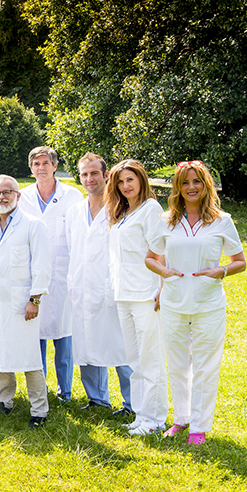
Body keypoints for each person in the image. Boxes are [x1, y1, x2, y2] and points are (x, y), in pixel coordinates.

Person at [147, 161, 246, 445]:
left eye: (197, 181)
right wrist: (164, 271)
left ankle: (199, 427)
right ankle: (181, 419)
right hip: (173, 303)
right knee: (177, 364)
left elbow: (240, 262)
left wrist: (221, 271)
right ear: (177, 187)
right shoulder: (166, 220)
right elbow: (151, 258)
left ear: (206, 185)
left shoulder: (222, 221)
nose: (191, 187)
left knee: (205, 366)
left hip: (208, 305)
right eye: (185, 182)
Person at [0, 175, 51, 428]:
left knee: (29, 357)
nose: (1, 197)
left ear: (18, 196)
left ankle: (39, 409)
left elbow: (42, 265)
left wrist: (35, 299)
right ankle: (4, 401)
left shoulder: (32, 225)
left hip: (22, 303)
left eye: (7, 192)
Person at [65, 154, 133, 416]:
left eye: (94, 173)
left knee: (121, 346)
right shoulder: (75, 212)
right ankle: (97, 398)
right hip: (81, 287)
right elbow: (72, 248)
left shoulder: (121, 209)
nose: (89, 179)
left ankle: (132, 403)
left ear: (106, 175)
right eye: (84, 174)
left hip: (111, 288)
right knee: (86, 343)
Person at [106, 158, 168, 436]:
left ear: (141, 179)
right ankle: (142, 415)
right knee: (135, 360)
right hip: (124, 293)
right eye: (120, 181)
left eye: (130, 179)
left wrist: (162, 288)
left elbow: (162, 251)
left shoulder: (151, 209)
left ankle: (155, 420)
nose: (125, 185)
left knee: (150, 359)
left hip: (146, 294)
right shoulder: (122, 213)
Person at [19, 146, 83, 402]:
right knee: (36, 336)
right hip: (32, 274)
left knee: (63, 334)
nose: (41, 168)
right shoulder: (23, 196)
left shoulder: (72, 196)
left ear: (55, 166)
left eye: (46, 163)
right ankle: (40, 389)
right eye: (36, 164)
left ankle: (65, 391)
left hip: (63, 273)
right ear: (31, 168)